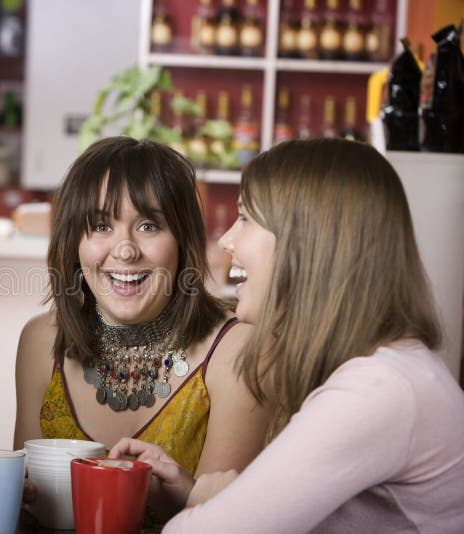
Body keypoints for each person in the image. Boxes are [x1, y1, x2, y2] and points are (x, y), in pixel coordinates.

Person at [111, 138, 464, 532]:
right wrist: (205, 495)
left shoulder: (378, 390)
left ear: (307, 243)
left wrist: (216, 506)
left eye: (244, 218)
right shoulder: (388, 373)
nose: (227, 240)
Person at [14, 136, 272, 523]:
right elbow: (24, 509)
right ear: (73, 242)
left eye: (149, 226)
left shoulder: (238, 351)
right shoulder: (40, 341)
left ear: (183, 241)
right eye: (100, 225)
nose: (125, 250)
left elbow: (224, 524)